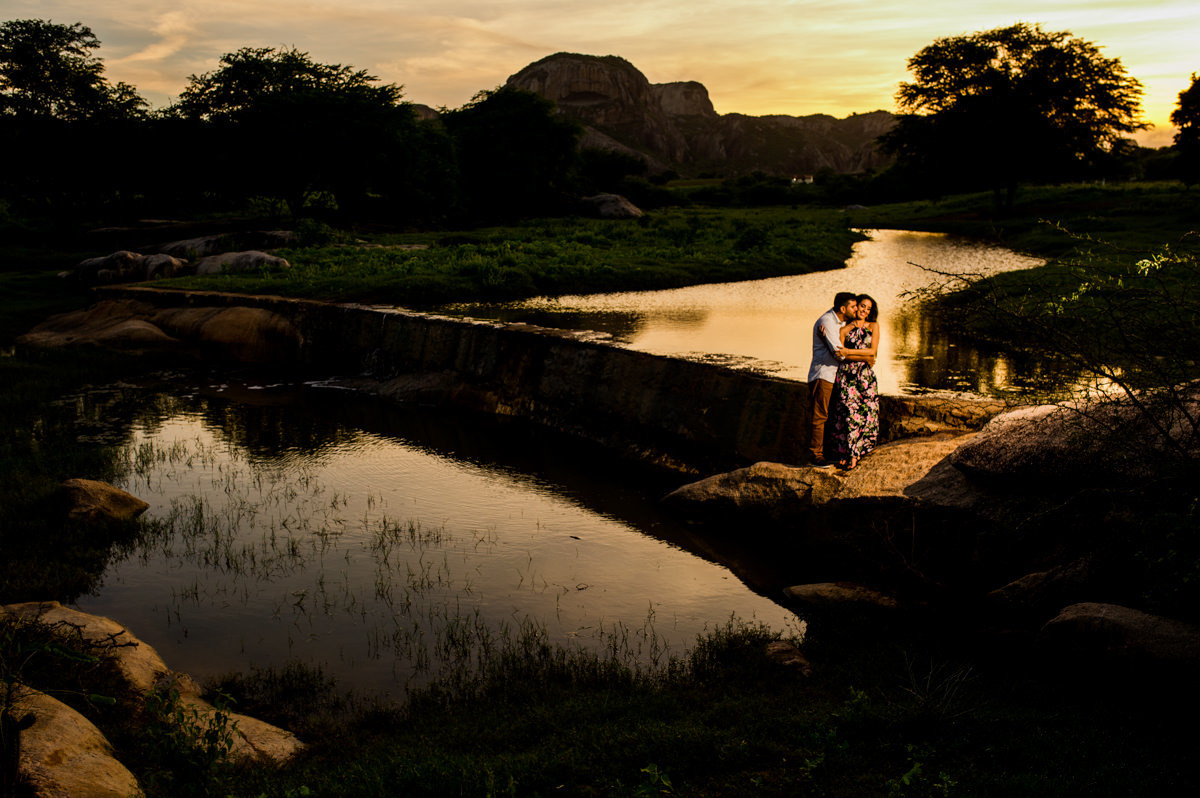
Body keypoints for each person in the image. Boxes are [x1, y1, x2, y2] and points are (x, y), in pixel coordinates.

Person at [830, 293, 881, 470]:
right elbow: (839, 354)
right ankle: (846, 453)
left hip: (865, 377)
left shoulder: (874, 326)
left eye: (868, 308)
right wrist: (861, 355)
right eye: (862, 306)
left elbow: (873, 352)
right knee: (847, 413)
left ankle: (857, 453)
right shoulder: (844, 329)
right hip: (846, 376)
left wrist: (848, 352)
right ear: (856, 306)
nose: (864, 310)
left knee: (866, 414)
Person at [807, 292, 857, 465]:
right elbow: (839, 354)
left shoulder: (842, 322)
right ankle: (816, 455)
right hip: (823, 375)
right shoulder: (827, 321)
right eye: (853, 306)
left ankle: (829, 452)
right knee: (820, 416)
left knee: (832, 416)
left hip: (833, 376)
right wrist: (865, 356)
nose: (856, 309)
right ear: (843, 309)